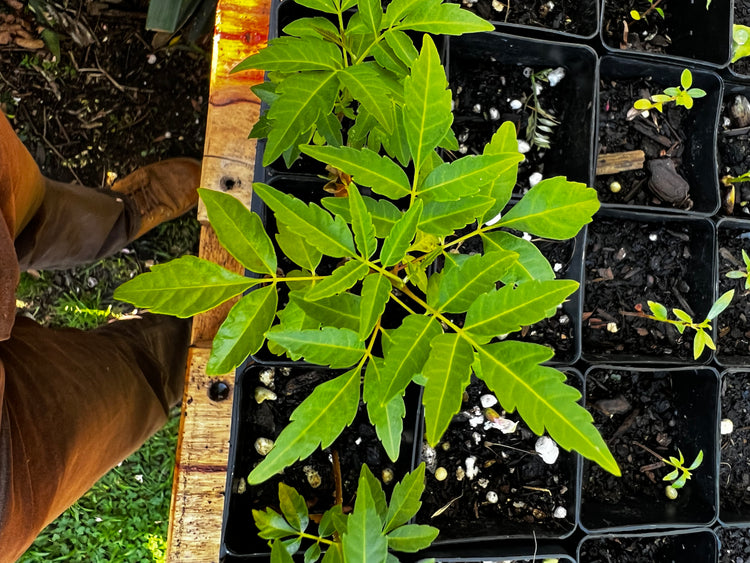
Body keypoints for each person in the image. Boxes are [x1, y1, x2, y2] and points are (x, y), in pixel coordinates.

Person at [0, 110, 201, 561]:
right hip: (8, 456)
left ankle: (120, 216)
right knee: (115, 392)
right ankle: (186, 344)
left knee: (26, 207)